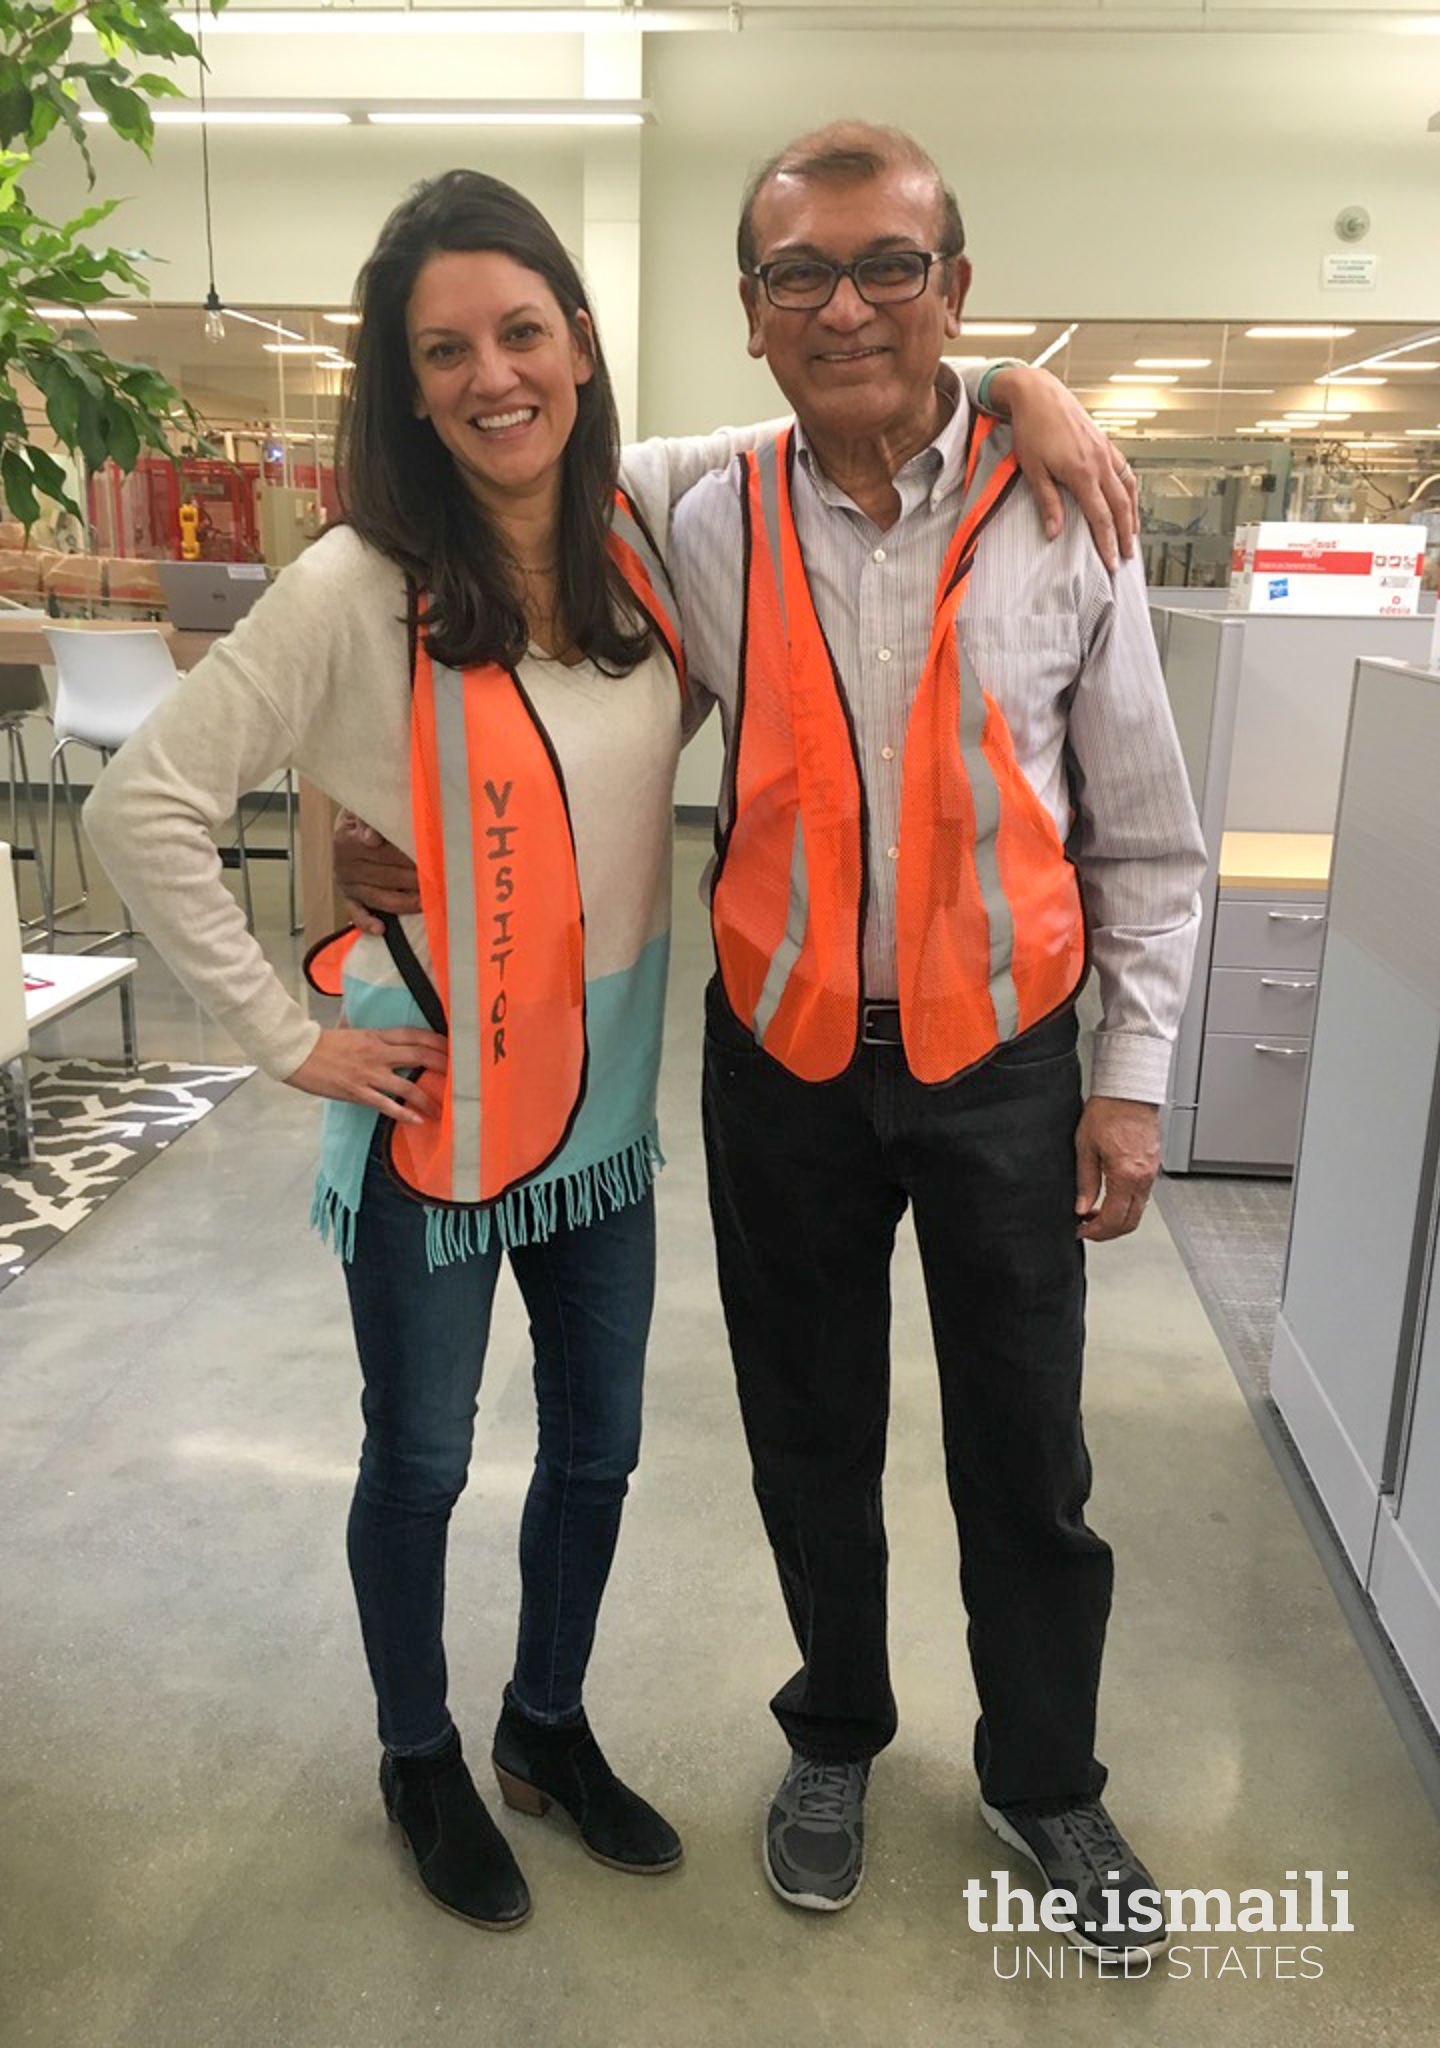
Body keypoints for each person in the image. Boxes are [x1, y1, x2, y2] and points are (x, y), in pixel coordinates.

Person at [89, 168, 1142, 1935]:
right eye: (445, 352)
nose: (493, 377)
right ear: (404, 385)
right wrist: (289, 1035)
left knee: (598, 1457)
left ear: (582, 343)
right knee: (422, 1461)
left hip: (607, 1123)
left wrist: (1023, 388)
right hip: (435, 1104)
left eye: (522, 332)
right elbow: (147, 802)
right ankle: (420, 1754)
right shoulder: (362, 578)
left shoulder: (649, 530)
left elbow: (855, 387)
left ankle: (544, 1727)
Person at [665, 121, 1208, 1951]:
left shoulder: (1072, 512)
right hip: (783, 1060)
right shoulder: (698, 509)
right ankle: (835, 1729)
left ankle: (1044, 1778)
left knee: (1023, 1453)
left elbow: (1144, 828)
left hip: (1006, 1064)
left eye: (890, 267)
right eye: (799, 274)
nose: (846, 307)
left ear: (954, 292)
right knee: (805, 1431)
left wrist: (1128, 1088)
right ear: (749, 315)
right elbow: (509, 533)